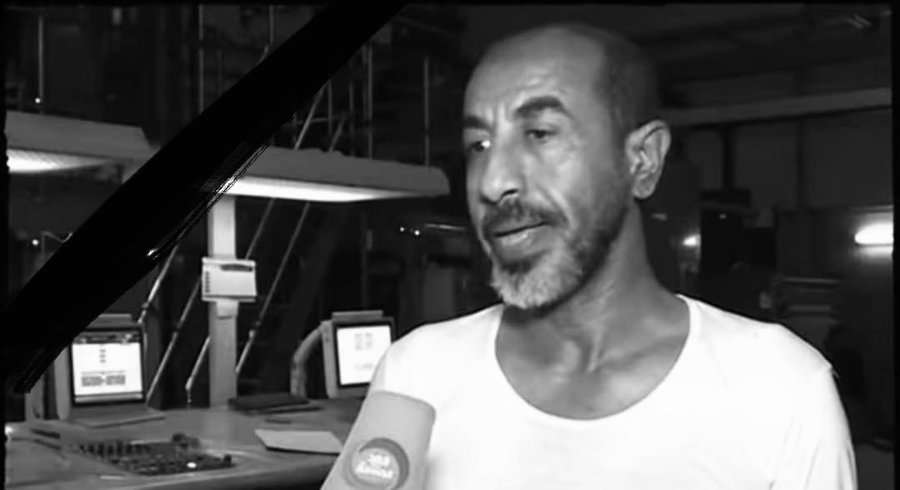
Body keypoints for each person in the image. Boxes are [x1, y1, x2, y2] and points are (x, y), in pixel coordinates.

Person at [366, 23, 857, 489]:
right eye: (478, 145)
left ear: (642, 161)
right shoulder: (414, 376)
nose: (493, 182)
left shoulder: (780, 390)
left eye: (540, 133)